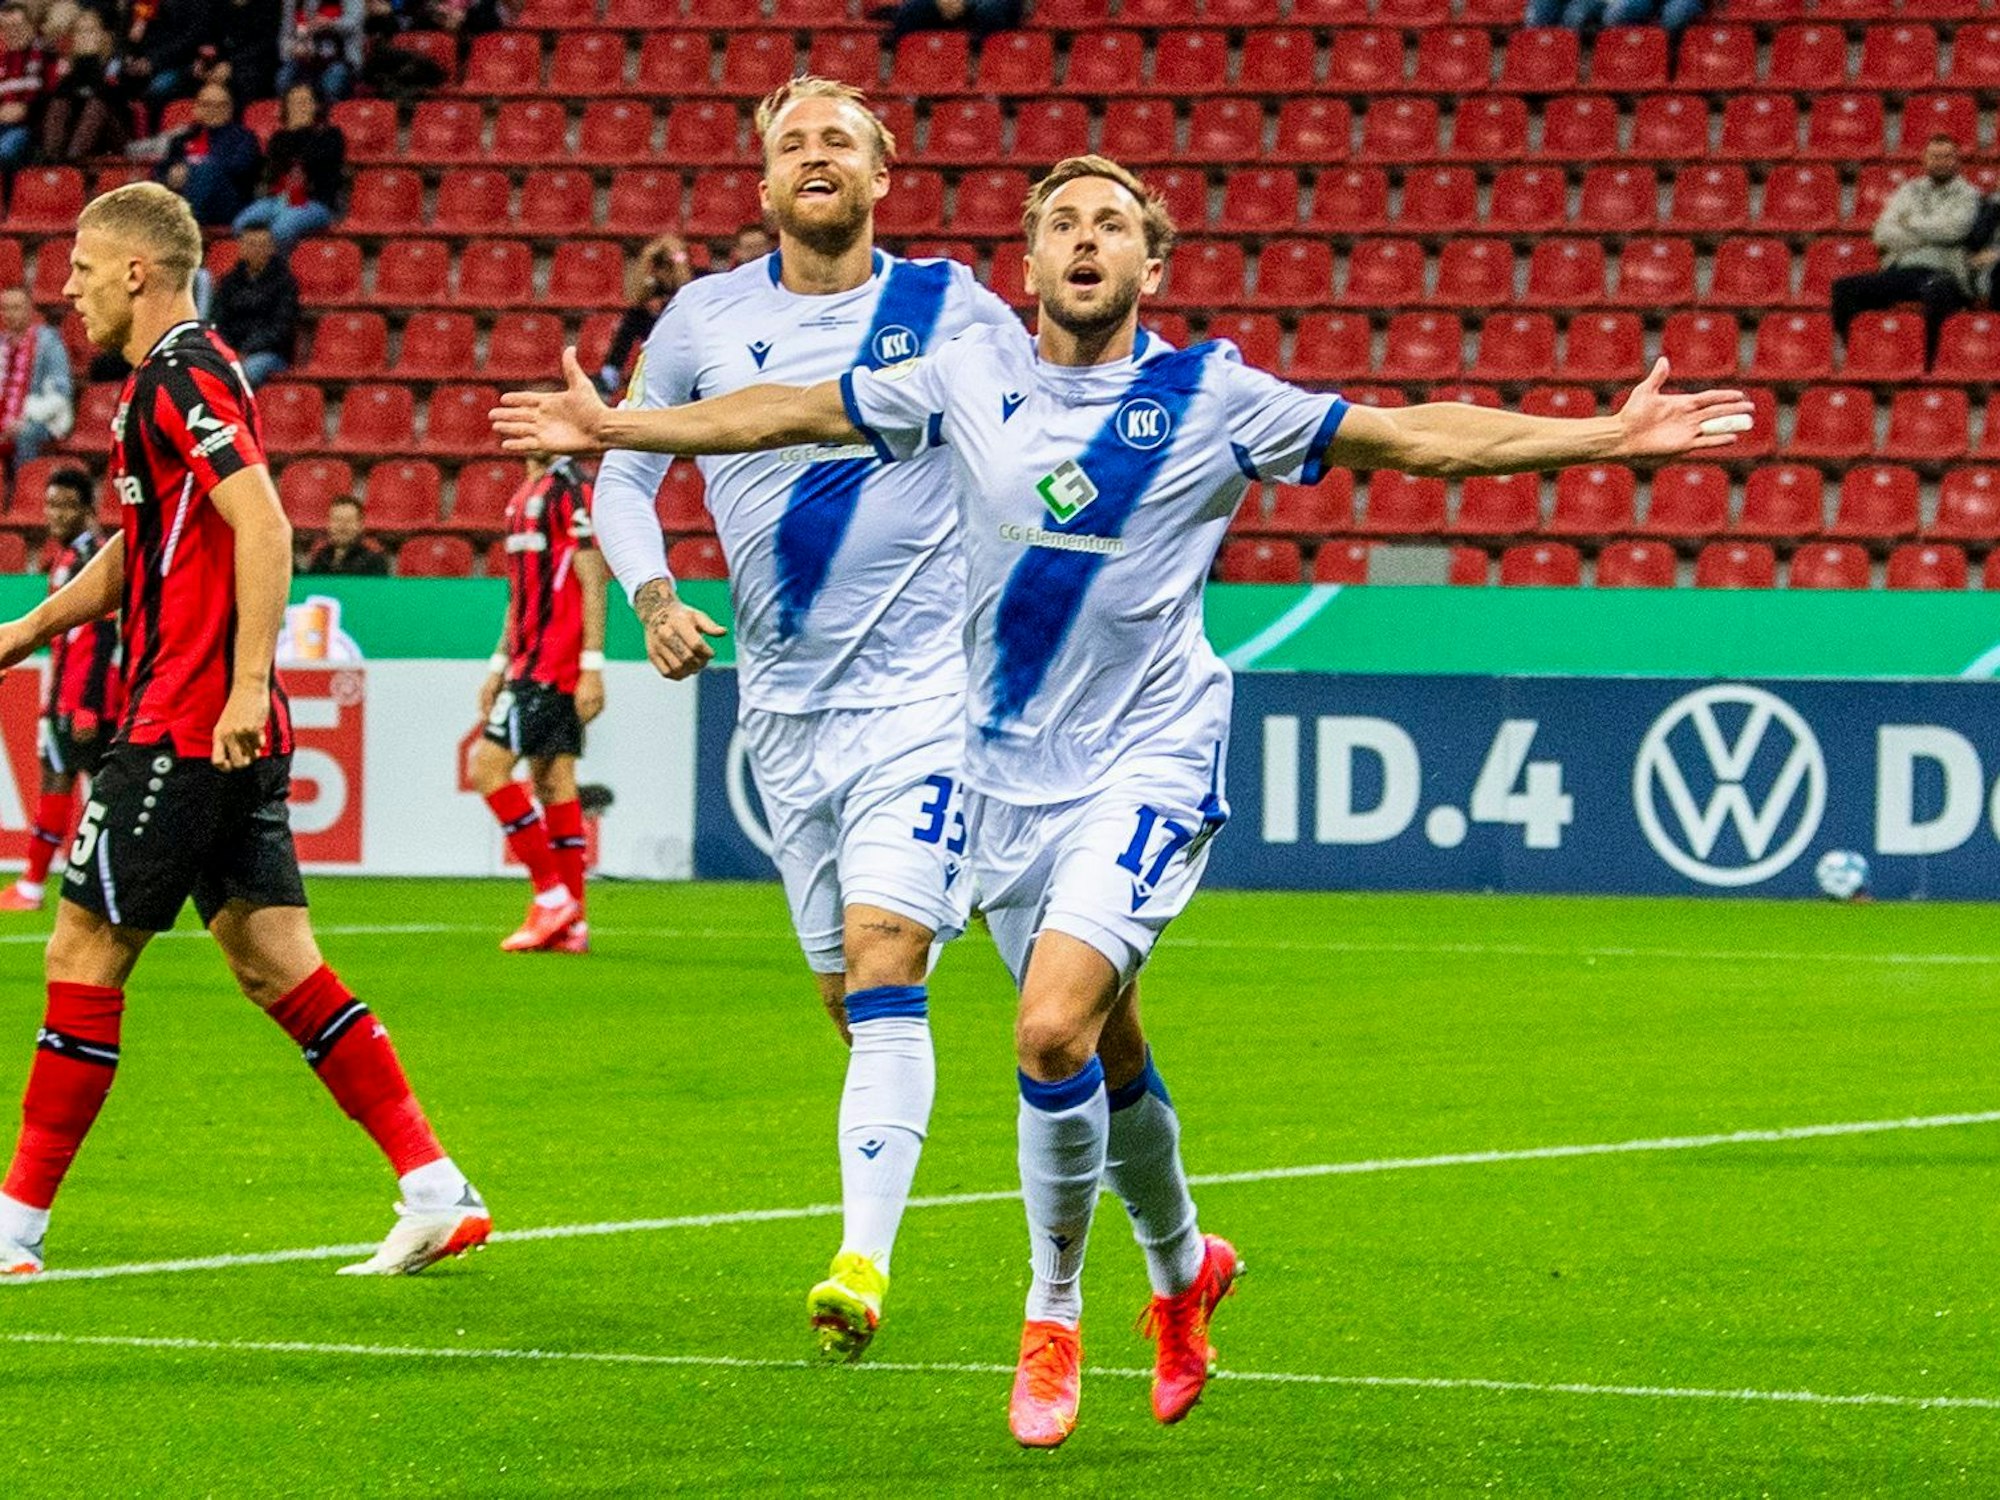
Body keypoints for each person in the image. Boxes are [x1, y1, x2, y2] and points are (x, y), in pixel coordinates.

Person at [491, 154, 1756, 1445]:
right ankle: (1184, 1266)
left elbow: (1410, 435)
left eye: (1110, 224)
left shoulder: (1212, 396)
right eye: (1061, 223)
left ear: (1153, 264)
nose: (1084, 239)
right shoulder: (964, 374)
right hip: (1002, 778)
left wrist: (1604, 437)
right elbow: (786, 413)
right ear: (1029, 262)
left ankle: (1051, 1316)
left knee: (1048, 1032)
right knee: (1110, 1047)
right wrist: (622, 430)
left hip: (1149, 758)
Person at [572, 76, 1021, 1363]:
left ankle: (860, 1263)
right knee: (847, 996)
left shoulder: (951, 305)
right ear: (763, 183)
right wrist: (651, 594)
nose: (814, 156)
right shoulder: (703, 318)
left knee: (884, 960)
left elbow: (1038, 435)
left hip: (929, 703)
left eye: (838, 141)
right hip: (781, 714)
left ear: (882, 174)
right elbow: (622, 477)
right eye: (791, 144)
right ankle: (919, 1123)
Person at [0, 182, 489, 1279]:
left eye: (82, 268)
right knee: (274, 962)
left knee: (83, 952)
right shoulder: (169, 383)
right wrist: (32, 625)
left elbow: (262, 521)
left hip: (185, 722)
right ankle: (433, 1187)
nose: (68, 289)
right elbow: (146, 545)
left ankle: (14, 1227)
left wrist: (246, 682)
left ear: (137, 271)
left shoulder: (182, 373)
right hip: (216, 723)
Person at [467, 454, 605, 955]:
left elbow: (593, 578)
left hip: (553, 665)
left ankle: (551, 896)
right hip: (527, 663)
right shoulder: (523, 495)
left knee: (488, 768)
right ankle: (573, 924)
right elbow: (519, 593)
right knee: (553, 782)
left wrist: (592, 664)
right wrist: (497, 664)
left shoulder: (570, 488)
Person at [0, 468, 119, 914]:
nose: (55, 514)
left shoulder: (93, 557)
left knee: (86, 789)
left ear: (87, 508)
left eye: (66, 505)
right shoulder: (69, 556)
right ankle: (39, 884)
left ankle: (39, 885)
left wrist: (87, 704)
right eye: (51, 504)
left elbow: (103, 637)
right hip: (66, 697)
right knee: (66, 782)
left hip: (86, 701)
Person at [1832, 134, 1982, 370]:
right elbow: (1882, 233)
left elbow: (1955, 230)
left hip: (1944, 271)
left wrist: (1909, 223)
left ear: (1957, 160)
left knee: (1937, 291)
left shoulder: (1969, 194)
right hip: (1902, 270)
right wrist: (1929, 234)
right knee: (1844, 289)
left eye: (1947, 157)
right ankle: (1863, 353)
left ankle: (1929, 366)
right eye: (1935, 156)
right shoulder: (1908, 190)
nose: (1941, 162)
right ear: (1925, 159)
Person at [232, 84, 344, 253]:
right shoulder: (279, 138)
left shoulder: (331, 136)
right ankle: (259, 265)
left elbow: (315, 163)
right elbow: (276, 170)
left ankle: (275, 267)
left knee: (281, 229)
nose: (299, 107)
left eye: (305, 102)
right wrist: (293, 134)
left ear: (316, 106)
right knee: (241, 224)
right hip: (278, 199)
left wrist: (303, 132)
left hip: (315, 202)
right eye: (294, 102)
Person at [156, 81, 263, 228]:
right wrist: (170, 175)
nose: (213, 110)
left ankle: (187, 224)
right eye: (206, 104)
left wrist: (191, 170)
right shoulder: (182, 138)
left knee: (206, 170)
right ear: (196, 108)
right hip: (182, 195)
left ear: (230, 109)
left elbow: (240, 168)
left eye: (220, 105)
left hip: (227, 202)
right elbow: (161, 168)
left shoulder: (244, 137)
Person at [597, 234, 693, 395]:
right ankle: (610, 372)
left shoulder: (693, 277)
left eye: (665, 266)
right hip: (656, 339)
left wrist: (677, 259)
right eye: (658, 266)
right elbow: (637, 295)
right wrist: (648, 259)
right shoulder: (649, 287)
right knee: (633, 318)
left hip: (683, 338)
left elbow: (687, 294)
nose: (661, 272)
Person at [208, 224, 298, 387]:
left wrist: (247, 350)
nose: (256, 250)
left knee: (247, 372)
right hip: (231, 351)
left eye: (262, 245)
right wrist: (230, 350)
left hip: (269, 353)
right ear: (241, 248)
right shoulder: (229, 282)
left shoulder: (285, 283)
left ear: (272, 249)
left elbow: (281, 327)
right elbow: (218, 321)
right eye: (251, 244)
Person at [39, 7, 128, 161]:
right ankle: (52, 159)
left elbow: (108, 95)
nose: (84, 37)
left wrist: (91, 60)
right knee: (58, 104)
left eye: (90, 31)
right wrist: (78, 64)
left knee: (96, 105)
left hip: (113, 132)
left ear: (103, 35)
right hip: (76, 132)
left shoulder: (115, 62)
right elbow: (60, 95)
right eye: (79, 32)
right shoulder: (69, 67)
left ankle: (71, 161)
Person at [0, 286, 73, 467]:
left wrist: (22, 417)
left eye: (16, 308)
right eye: (5, 308)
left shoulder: (49, 343)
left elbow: (60, 394)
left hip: (40, 418)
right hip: (5, 415)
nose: (9, 314)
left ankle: (23, 483)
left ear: (29, 310)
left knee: (25, 432)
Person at [278, 0, 363, 101]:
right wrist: (292, 49)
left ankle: (333, 109)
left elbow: (353, 23)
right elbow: (286, 35)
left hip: (340, 59)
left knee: (331, 84)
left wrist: (331, 24)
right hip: (304, 59)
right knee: (284, 79)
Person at [0, 3, 50, 170]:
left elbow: (52, 100)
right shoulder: (2, 59)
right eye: (5, 28)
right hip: (3, 125)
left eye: (17, 26)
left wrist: (26, 109)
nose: (12, 32)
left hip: (30, 130)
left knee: (5, 149)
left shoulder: (46, 56)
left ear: (31, 26)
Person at [300, 493, 388, 574]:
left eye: (349, 520)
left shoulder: (374, 561)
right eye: (337, 520)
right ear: (328, 524)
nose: (342, 526)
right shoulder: (321, 557)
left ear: (361, 526)